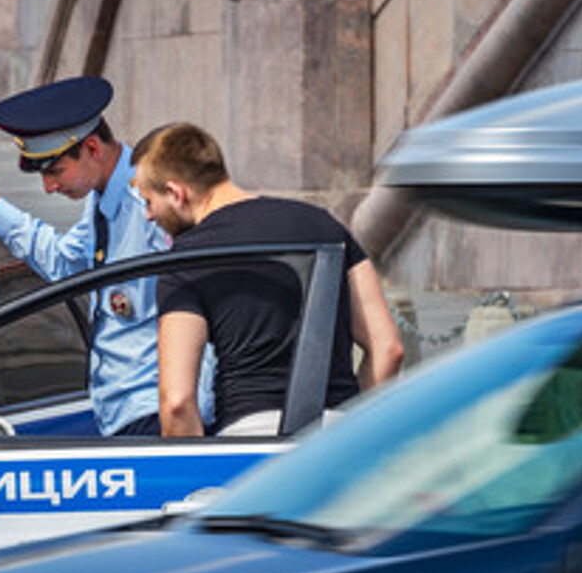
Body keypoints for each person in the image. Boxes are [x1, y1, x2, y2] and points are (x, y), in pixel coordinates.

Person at [0, 76, 213, 436]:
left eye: (54, 171)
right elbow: (66, 263)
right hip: (125, 418)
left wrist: (189, 430)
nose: (48, 187)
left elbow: (206, 308)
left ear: (93, 148)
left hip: (158, 423)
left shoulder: (149, 205)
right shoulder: (102, 197)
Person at [130, 121, 404, 437]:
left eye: (149, 202)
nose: (149, 216)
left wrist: (197, 473)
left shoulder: (186, 260)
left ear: (176, 192)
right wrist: (354, 429)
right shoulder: (323, 225)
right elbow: (388, 347)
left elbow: (177, 402)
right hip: (337, 438)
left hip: (249, 439)